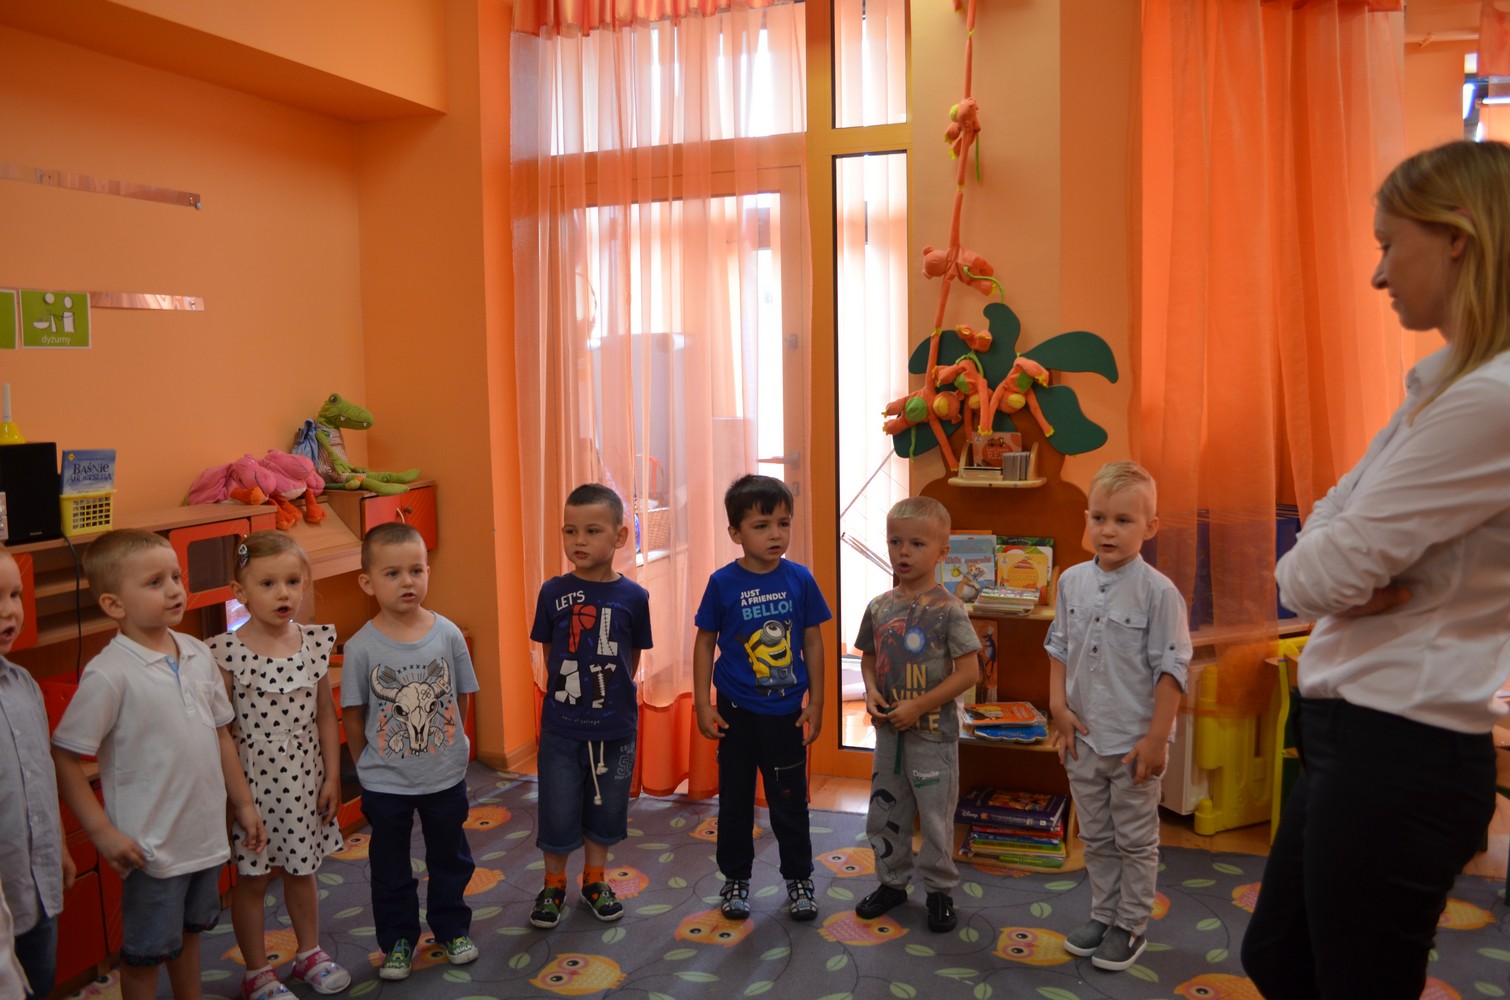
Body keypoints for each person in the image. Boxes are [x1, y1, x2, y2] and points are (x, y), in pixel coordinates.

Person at [1241, 140, 1510, 999]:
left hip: (1401, 745)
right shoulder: (1444, 389)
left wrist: (1326, 566)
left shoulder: (1488, 401)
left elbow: (1313, 576)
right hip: (1355, 736)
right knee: (1280, 959)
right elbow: (1326, 527)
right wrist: (1329, 562)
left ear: (1458, 237)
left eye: (1390, 244)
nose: (1378, 273)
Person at [52, 529, 266, 1000]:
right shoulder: (109, 673)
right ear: (114, 605)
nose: (174, 590)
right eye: (154, 582)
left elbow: (221, 734)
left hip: (203, 838)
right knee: (145, 955)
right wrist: (102, 832)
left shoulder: (197, 653)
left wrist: (244, 803)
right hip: (152, 849)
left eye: (175, 577)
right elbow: (65, 756)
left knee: (189, 936)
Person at [1046, 461, 1190, 973]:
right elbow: (1059, 648)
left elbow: (1172, 670)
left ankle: (1131, 925)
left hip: (1133, 744)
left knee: (1134, 839)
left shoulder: (1159, 592)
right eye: (1099, 518)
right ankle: (1103, 915)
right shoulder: (1071, 581)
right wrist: (1058, 709)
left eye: (1123, 520)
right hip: (1083, 738)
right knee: (1096, 836)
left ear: (1150, 527)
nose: (1108, 530)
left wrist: (1156, 739)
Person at [207, 532, 348, 1000]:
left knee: (302, 870)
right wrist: (238, 801)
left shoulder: (314, 643)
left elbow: (325, 714)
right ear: (240, 591)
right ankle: (257, 972)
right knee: (252, 880)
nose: (282, 593)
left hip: (304, 779)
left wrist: (333, 775)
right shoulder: (226, 652)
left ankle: (309, 954)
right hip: (251, 785)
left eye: (292, 581)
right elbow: (222, 730)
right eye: (267, 584)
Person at [341, 522, 480, 980]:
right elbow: (354, 714)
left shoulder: (448, 635)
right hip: (386, 782)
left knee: (450, 857)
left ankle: (451, 928)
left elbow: (460, 697)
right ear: (368, 582)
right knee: (389, 867)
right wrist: (364, 764)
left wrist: (455, 744)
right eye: (393, 573)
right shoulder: (361, 647)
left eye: (417, 570)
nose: (408, 582)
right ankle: (398, 941)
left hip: (444, 775)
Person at [694, 474, 830, 921]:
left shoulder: (800, 579)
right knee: (735, 803)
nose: (775, 534)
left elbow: (813, 642)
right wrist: (702, 703)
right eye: (762, 525)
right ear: (735, 533)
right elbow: (705, 642)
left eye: (783, 523)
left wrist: (817, 702)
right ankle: (736, 880)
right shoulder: (722, 583)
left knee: (789, 803)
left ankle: (799, 879)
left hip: (786, 714)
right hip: (734, 713)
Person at [852, 496, 980, 934]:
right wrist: (871, 692)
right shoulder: (879, 606)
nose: (903, 552)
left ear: (942, 552)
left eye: (916, 544)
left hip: (932, 736)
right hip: (890, 735)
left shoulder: (949, 609)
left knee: (936, 818)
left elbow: (969, 672)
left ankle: (939, 891)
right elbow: (869, 658)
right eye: (895, 542)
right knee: (885, 812)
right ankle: (891, 882)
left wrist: (919, 706)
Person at [528, 484, 652, 929]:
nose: (578, 541)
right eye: (570, 530)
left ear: (619, 536)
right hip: (562, 727)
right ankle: (553, 884)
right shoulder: (552, 592)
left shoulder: (634, 597)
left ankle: (595, 881)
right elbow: (550, 653)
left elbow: (632, 657)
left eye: (592, 531)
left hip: (615, 727)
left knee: (606, 809)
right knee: (558, 807)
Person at [0, 550, 75, 999]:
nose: (9, 611)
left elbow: (40, 776)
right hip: (5, 892)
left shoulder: (23, 684)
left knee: (39, 981)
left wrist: (59, 844)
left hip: (37, 886)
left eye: (15, 595)